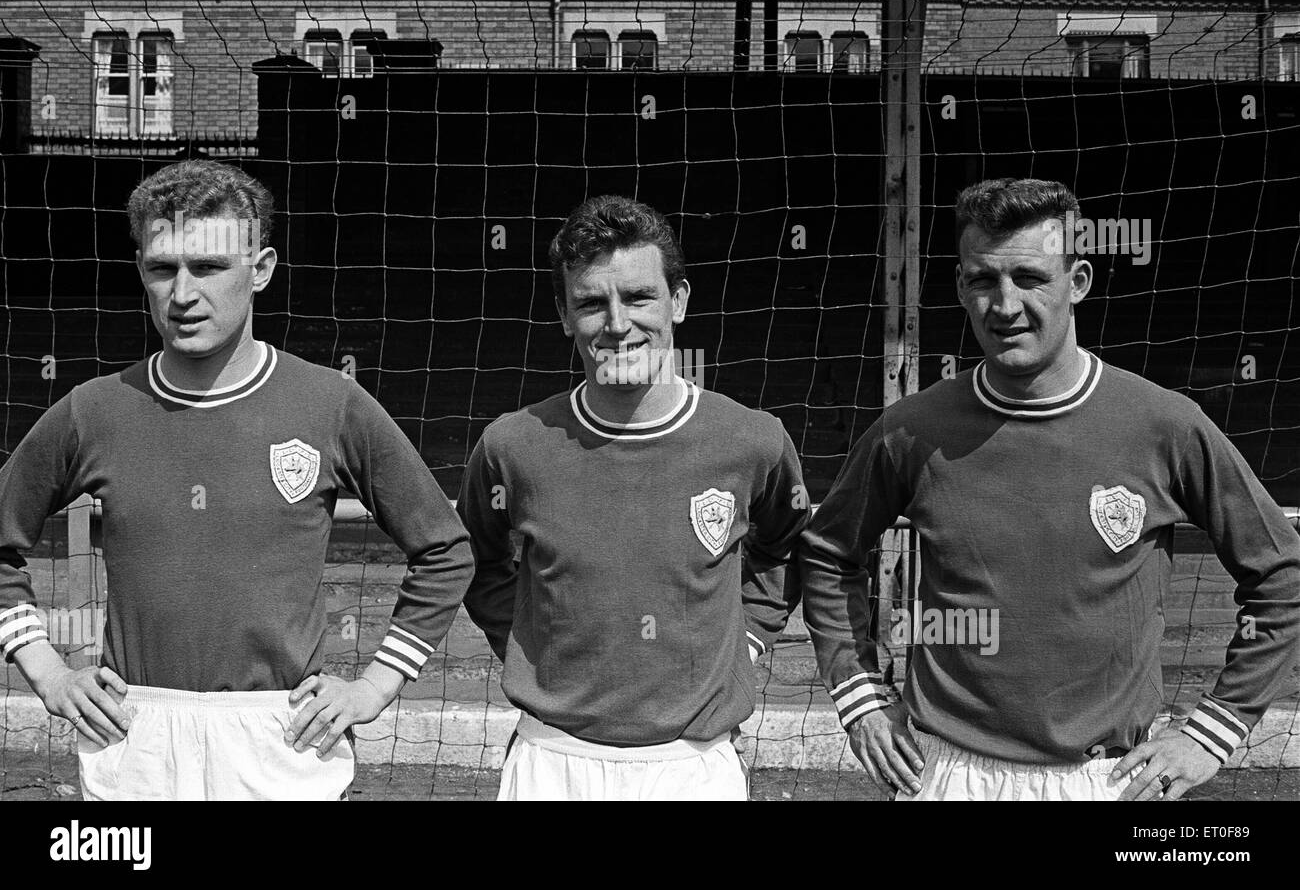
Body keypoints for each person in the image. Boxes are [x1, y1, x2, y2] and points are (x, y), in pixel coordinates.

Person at [798, 177, 1300, 801]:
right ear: (961, 286)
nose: (1004, 305)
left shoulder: (1164, 424)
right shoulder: (911, 430)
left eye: (1030, 278)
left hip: (1107, 779)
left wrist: (1209, 734)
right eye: (983, 280)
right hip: (948, 772)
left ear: (1078, 282)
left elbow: (1282, 572)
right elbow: (827, 552)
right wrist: (862, 695)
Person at [0, 160, 476, 800]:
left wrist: (374, 686)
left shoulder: (331, 405)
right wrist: (51, 674)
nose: (183, 294)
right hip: (134, 737)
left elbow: (445, 550)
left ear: (261, 269)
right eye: (162, 268)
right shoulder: (94, 411)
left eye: (209, 268)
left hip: (281, 738)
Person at [456, 195, 809, 800]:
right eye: (592, 303)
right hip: (552, 760)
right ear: (565, 316)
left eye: (639, 297)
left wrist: (744, 642)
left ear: (679, 301)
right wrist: (527, 642)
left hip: (694, 765)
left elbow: (786, 546)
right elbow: (474, 557)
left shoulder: (752, 439)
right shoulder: (511, 445)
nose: (617, 324)